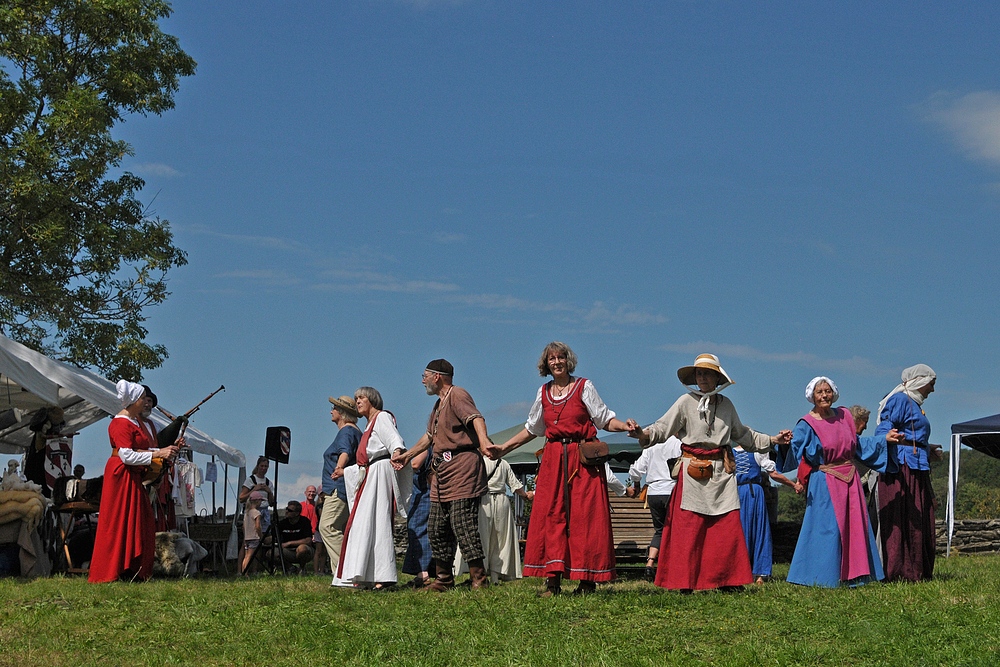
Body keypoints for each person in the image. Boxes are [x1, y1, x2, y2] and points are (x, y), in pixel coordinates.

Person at [629, 353, 791, 591]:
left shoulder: (726, 405)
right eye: (699, 373)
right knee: (689, 528)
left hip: (721, 474)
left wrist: (774, 440)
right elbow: (663, 427)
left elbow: (744, 436)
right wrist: (642, 434)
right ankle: (684, 582)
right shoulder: (685, 402)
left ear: (717, 377)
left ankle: (727, 580)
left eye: (707, 373)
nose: (702, 377)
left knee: (724, 527)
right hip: (692, 471)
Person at [487, 342, 638, 596]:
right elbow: (532, 429)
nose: (556, 362)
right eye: (551, 359)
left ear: (569, 361)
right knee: (552, 515)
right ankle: (553, 580)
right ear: (546, 364)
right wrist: (504, 449)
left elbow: (603, 420)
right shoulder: (543, 393)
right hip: (554, 458)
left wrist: (625, 426)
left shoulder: (584, 387)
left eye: (561, 357)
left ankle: (587, 581)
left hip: (582, 459)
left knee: (585, 517)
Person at [786, 377, 904, 587]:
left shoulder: (844, 416)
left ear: (834, 393)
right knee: (826, 529)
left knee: (854, 527)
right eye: (819, 392)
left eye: (827, 391)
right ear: (812, 396)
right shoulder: (807, 424)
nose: (824, 395)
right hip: (825, 481)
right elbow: (793, 448)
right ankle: (821, 577)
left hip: (850, 480)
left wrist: (883, 439)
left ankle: (855, 575)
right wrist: (778, 444)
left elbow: (857, 444)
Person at [392, 359, 493, 591]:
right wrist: (407, 456)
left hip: (462, 468)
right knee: (436, 527)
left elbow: (476, 418)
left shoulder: (457, 395)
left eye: (425, 375)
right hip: (442, 472)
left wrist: (484, 441)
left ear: (437, 376)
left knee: (462, 523)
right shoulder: (438, 405)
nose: (422, 380)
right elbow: (429, 437)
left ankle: (479, 579)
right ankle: (444, 579)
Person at [88, 381, 179, 583]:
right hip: (121, 476)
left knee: (140, 521)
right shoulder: (120, 423)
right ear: (135, 401)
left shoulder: (135, 422)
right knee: (120, 522)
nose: (144, 402)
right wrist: (157, 454)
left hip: (132, 476)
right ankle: (114, 569)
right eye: (141, 398)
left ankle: (133, 568)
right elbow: (126, 455)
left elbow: (137, 451)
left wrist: (162, 452)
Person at [335, 386, 409, 589]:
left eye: (362, 398)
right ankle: (364, 575)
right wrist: (346, 472)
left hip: (380, 474)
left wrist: (397, 451)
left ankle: (382, 577)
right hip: (371, 474)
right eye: (356, 398)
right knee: (364, 523)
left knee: (378, 522)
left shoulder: (382, 417)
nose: (357, 401)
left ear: (373, 400)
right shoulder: (368, 425)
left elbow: (394, 439)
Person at [874, 364, 940, 582]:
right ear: (920, 382)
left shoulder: (915, 405)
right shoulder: (900, 400)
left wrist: (927, 449)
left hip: (916, 464)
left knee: (919, 517)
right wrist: (889, 436)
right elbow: (885, 426)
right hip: (902, 466)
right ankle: (901, 571)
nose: (932, 389)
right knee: (904, 517)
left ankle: (917, 569)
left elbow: (913, 434)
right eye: (931, 383)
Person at [455, 456, 534, 584]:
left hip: (483, 501)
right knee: (500, 540)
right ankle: (495, 576)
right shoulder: (503, 463)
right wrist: (525, 495)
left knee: (482, 538)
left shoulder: (476, 461)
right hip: (502, 501)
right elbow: (515, 485)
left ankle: (479, 574)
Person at [733, 443, 801, 584]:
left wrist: (793, 484)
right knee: (740, 533)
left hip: (753, 493)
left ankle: (759, 574)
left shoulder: (757, 451)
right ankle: (741, 572)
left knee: (759, 531)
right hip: (736, 494)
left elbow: (773, 473)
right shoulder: (728, 452)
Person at [628, 436, 683, 581]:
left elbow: (635, 470)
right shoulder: (679, 443)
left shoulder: (651, 445)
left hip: (653, 492)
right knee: (677, 530)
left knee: (659, 530)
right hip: (672, 489)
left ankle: (650, 563)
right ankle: (674, 567)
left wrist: (637, 484)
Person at [320, 396, 362, 574]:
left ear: (342, 413)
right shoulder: (355, 431)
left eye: (334, 408)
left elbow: (344, 451)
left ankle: (344, 570)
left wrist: (339, 468)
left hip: (339, 487)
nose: (331, 411)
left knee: (327, 526)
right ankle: (341, 572)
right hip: (345, 486)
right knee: (342, 530)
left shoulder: (346, 431)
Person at [401, 446, 436, 588]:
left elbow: (415, 464)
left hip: (423, 495)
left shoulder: (427, 447)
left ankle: (423, 573)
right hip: (427, 494)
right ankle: (426, 572)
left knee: (418, 531)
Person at [277, 500, 315, 574]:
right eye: (286, 509)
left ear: (297, 513)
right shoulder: (282, 523)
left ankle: (302, 568)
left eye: (290, 510)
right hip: (287, 551)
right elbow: (274, 537)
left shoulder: (304, 522)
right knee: (271, 553)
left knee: (302, 549)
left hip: (303, 550)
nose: (287, 511)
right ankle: (291, 568)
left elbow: (308, 540)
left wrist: (290, 543)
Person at [241, 491, 264, 575]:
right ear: (257, 501)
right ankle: (245, 573)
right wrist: (261, 535)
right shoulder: (256, 513)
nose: (261, 502)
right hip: (254, 537)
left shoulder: (247, 512)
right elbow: (258, 526)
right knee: (250, 556)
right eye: (261, 501)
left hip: (247, 537)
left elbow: (243, 527)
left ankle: (243, 571)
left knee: (246, 556)